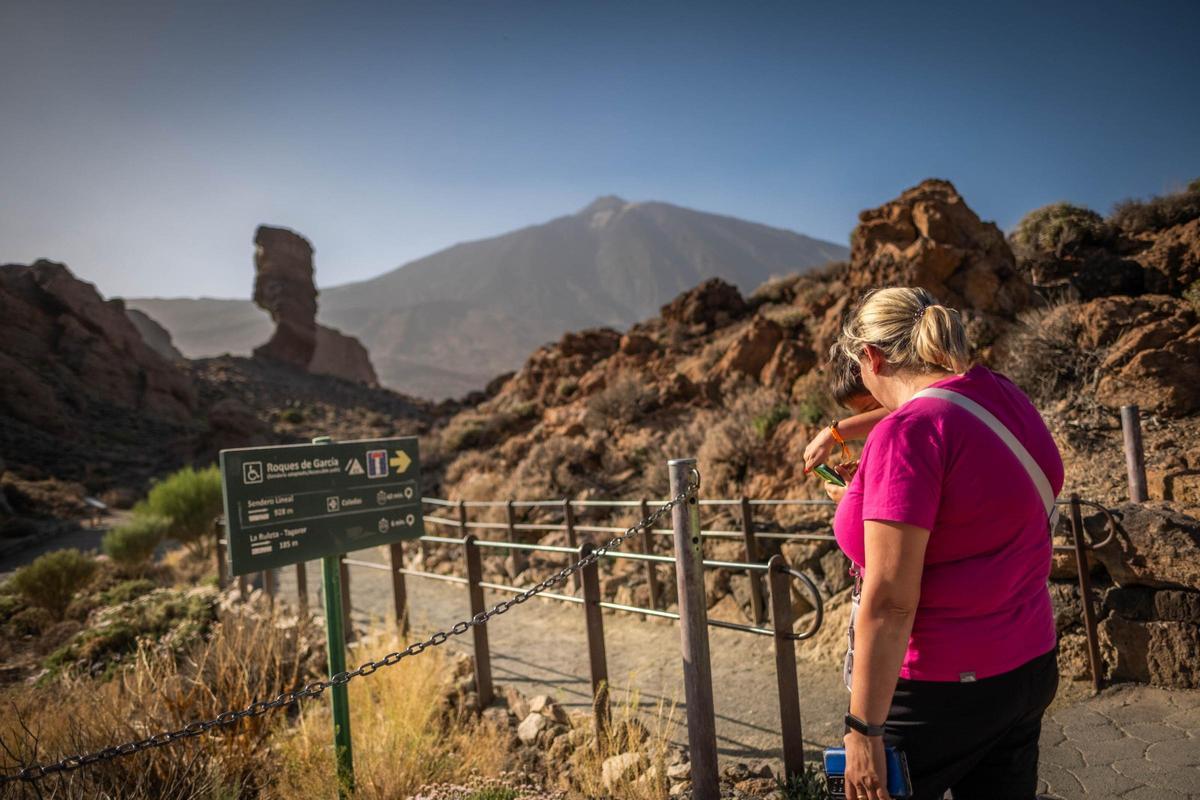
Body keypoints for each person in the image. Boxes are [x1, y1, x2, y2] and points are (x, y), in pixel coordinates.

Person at [828, 287, 1062, 800]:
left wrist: (863, 731)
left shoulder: (907, 434)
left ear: (871, 357)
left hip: (940, 690)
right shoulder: (1000, 394)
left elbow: (890, 602)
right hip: (1028, 667)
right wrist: (844, 430)